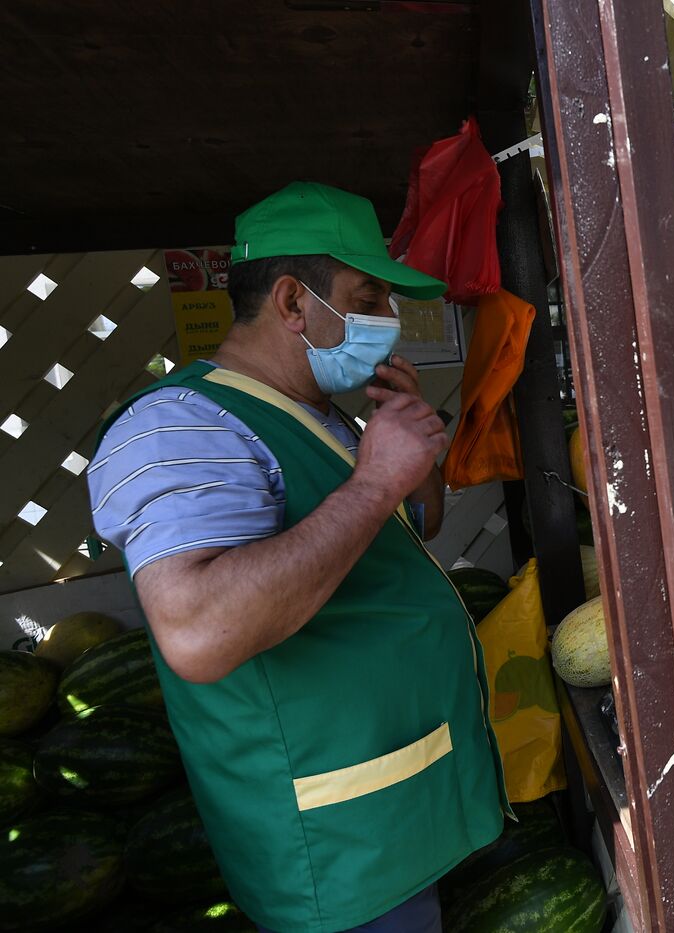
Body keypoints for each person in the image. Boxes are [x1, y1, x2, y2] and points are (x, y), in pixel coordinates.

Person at [87, 182, 508, 933]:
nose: (387, 321)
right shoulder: (181, 426)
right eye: (370, 297)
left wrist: (401, 444)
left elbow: (418, 526)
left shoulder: (324, 414)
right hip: (336, 839)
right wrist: (377, 478)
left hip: (398, 805)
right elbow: (199, 631)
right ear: (291, 302)